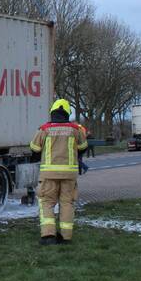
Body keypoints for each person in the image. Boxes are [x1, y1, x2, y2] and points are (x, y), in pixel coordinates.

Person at [29, 99, 88, 245]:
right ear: (67, 113)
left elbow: (34, 150)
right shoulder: (76, 130)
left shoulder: (44, 129)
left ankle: (48, 236)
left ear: (52, 112)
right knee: (67, 203)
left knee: (47, 203)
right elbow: (83, 148)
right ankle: (66, 237)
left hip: (49, 175)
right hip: (69, 175)